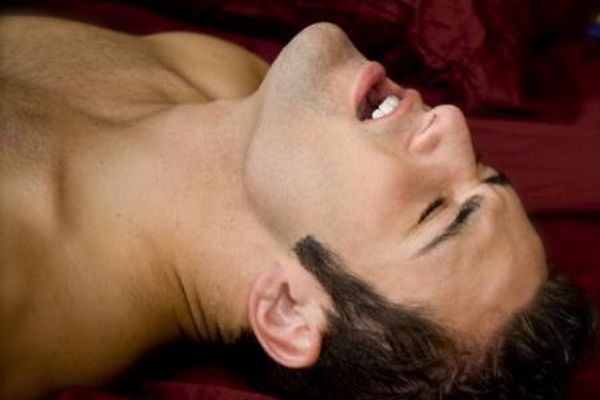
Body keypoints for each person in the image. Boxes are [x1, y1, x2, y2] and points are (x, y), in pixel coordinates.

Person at [0, 15, 595, 400]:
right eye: (482, 170)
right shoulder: (228, 85)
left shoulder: (19, 284)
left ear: (288, 311)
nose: (454, 123)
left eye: (434, 211)